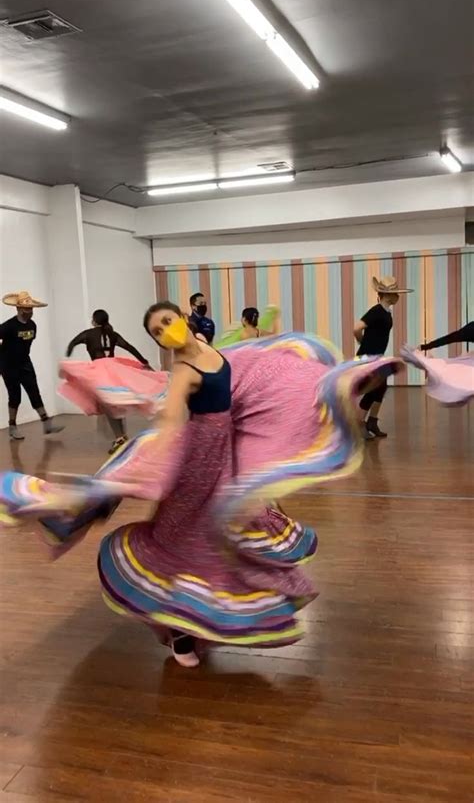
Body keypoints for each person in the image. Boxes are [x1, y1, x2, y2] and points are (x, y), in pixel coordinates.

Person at [0, 309, 404, 671]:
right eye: (157, 331)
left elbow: (251, 368)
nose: (164, 332)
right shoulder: (182, 370)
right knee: (184, 541)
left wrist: (340, 376)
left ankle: (203, 621)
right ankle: (179, 633)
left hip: (223, 453)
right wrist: (160, 437)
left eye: (166, 322)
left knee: (230, 535)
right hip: (193, 463)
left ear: (184, 321)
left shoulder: (212, 351)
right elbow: (176, 416)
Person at [64, 309, 159, 455]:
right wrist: (144, 362)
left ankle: (120, 437)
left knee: (109, 404)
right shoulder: (112, 334)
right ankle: (120, 437)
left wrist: (69, 352)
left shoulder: (88, 334)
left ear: (94, 320)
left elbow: (73, 342)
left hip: (100, 370)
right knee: (112, 402)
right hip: (113, 369)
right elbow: (129, 347)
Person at [354, 276, 413, 439]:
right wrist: (362, 342)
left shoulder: (386, 312)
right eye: (396, 293)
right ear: (387, 295)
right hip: (368, 358)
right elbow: (356, 327)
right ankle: (359, 425)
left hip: (377, 357)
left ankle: (372, 421)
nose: (398, 296)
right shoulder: (377, 311)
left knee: (381, 388)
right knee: (373, 390)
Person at [0, 291, 64, 440]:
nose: (30, 312)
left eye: (31, 309)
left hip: (25, 363)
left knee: (34, 392)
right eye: (27, 309)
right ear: (19, 309)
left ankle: (46, 423)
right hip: (9, 366)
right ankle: (12, 426)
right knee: (15, 396)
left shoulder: (32, 325)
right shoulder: (8, 326)